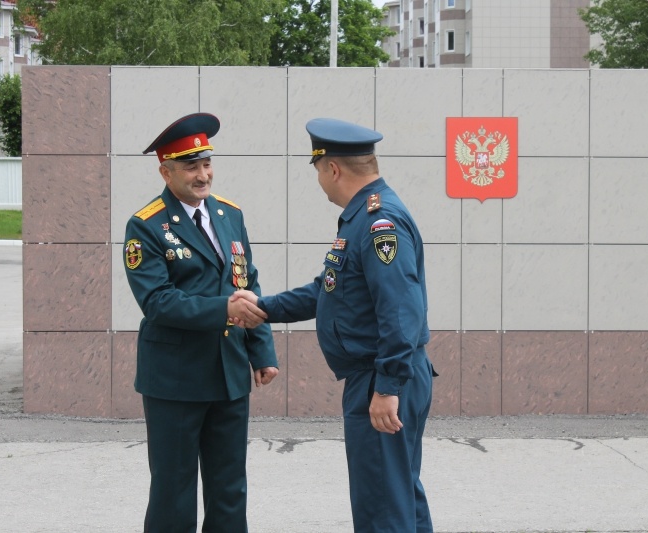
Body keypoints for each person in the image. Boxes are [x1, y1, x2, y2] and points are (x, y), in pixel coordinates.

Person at [232, 117, 437, 532]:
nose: (320, 181)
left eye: (318, 171)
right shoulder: (361, 216)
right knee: (399, 496)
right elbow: (328, 290)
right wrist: (264, 307)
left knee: (382, 505)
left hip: (381, 377)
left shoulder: (381, 222)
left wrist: (387, 387)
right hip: (381, 375)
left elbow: (401, 311)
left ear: (333, 168)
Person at [123, 112, 278, 533]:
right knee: (174, 491)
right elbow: (157, 302)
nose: (203, 174)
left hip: (228, 375)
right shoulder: (146, 225)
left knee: (230, 488)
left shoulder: (230, 215)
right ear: (165, 170)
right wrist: (225, 309)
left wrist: (261, 351)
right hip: (175, 380)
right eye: (191, 165)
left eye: (206, 162)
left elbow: (248, 283)